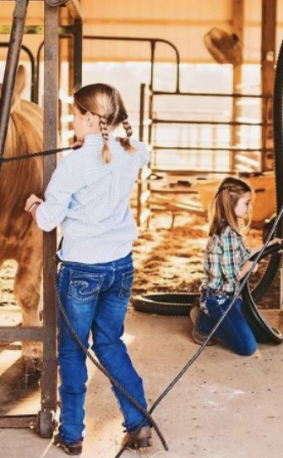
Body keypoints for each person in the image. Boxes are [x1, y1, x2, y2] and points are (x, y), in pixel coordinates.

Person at [25, 83, 152, 455]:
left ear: (90, 118)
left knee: (72, 350)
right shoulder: (131, 153)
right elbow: (141, 150)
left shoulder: (74, 165)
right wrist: (99, 144)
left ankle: (72, 435)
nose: (73, 122)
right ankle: (139, 424)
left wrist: (34, 205)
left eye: (76, 116)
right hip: (120, 266)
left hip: (82, 269)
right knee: (111, 343)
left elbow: (49, 220)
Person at [190, 177, 279, 356]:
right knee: (247, 348)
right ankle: (205, 322)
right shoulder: (227, 235)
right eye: (246, 203)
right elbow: (235, 275)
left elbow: (245, 254)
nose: (249, 207)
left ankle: (218, 320)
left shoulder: (232, 229)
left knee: (258, 333)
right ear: (232, 204)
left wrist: (270, 245)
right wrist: (253, 263)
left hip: (232, 297)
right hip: (218, 300)